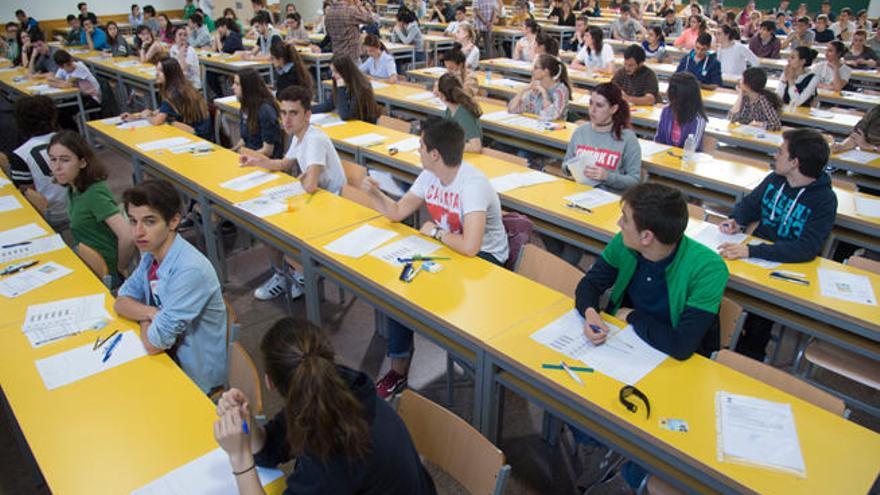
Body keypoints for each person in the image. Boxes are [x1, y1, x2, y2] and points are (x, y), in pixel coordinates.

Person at [572, 182, 727, 491]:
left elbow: (682, 347)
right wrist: (591, 313)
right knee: (572, 395)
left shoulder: (708, 269)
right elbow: (588, 285)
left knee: (633, 420)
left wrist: (632, 316)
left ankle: (632, 466)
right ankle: (604, 447)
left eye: (625, 218)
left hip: (678, 367)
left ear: (647, 237)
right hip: (628, 348)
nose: (619, 224)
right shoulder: (626, 244)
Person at [362, 118, 508, 399]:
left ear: (435, 154)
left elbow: (471, 247)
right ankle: (398, 371)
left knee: (423, 288)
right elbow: (396, 212)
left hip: (486, 260)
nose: (417, 151)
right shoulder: (430, 174)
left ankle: (471, 360)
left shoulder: (472, 185)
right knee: (402, 286)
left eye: (420, 146)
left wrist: (436, 232)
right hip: (449, 251)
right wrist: (375, 194)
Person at [213, 317, 437, 494]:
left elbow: (328, 470)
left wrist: (239, 457)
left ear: (269, 382)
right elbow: (270, 450)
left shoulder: (334, 451)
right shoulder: (327, 390)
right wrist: (246, 423)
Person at [718, 129, 836, 361]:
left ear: (795, 162)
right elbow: (749, 204)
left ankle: (748, 358)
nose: (775, 155)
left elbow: (806, 248)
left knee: (758, 321)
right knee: (715, 283)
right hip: (752, 257)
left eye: (781, 152)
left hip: (784, 267)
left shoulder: (824, 200)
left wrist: (751, 250)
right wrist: (736, 221)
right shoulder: (775, 179)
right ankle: (719, 339)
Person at [115, 179, 228, 393]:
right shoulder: (152, 254)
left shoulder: (189, 270)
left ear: (174, 221)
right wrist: (151, 312)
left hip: (194, 376)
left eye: (149, 222)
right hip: (170, 357)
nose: (138, 232)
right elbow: (121, 300)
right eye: (132, 221)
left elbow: (154, 344)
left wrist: (143, 316)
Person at [239, 86, 348, 301]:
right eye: (283, 112)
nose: (286, 120)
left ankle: (299, 274)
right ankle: (286, 273)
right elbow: (285, 163)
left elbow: (310, 186)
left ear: (307, 115)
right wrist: (257, 162)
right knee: (268, 225)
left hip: (334, 207)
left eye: (293, 113)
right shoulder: (299, 136)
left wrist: (306, 176)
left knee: (276, 228)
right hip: (316, 200)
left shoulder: (314, 139)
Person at [48, 131, 134, 287]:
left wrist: (121, 267)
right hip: (87, 261)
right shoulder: (73, 188)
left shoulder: (93, 193)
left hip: (106, 272)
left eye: (65, 160)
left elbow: (127, 235)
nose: (57, 167)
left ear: (82, 162)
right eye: (53, 160)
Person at [565, 82, 641, 192]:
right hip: (580, 192)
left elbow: (634, 181)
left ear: (613, 109)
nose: (592, 110)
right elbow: (566, 164)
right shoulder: (580, 131)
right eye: (591, 103)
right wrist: (571, 168)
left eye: (599, 105)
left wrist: (607, 176)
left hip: (609, 198)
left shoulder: (627, 138)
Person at [9, 96, 67, 229]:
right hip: (81, 206)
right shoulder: (71, 140)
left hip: (51, 213)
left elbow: (27, 191)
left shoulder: (19, 154)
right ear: (53, 117)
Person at [121, 57, 212, 140]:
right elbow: (161, 111)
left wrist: (147, 116)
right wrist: (136, 117)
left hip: (198, 136)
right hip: (195, 130)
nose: (156, 74)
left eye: (160, 71)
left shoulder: (174, 93)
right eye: (156, 70)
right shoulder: (181, 86)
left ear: (169, 74)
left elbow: (157, 121)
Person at [312, 56, 382, 123]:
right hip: (352, 125)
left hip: (364, 126)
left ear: (345, 71)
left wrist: (341, 89)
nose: (332, 75)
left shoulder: (361, 86)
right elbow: (328, 105)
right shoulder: (342, 81)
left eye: (336, 72)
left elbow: (345, 115)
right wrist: (306, 110)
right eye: (332, 71)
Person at [234, 69, 283, 159]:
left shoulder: (265, 111)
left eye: (237, 84)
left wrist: (245, 157)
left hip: (264, 162)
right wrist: (233, 150)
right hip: (251, 157)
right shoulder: (246, 107)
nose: (233, 87)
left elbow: (268, 150)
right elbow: (245, 139)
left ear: (247, 87)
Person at [509, 53, 571, 121]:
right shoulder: (536, 86)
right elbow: (512, 110)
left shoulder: (561, 90)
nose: (532, 70)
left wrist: (544, 94)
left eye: (536, 67)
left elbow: (551, 116)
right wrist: (522, 91)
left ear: (545, 71)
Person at [49, 49, 102, 129]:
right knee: (58, 110)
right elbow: (51, 80)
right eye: (68, 65)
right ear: (61, 66)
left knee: (63, 113)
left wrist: (58, 83)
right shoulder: (62, 69)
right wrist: (58, 82)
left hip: (92, 98)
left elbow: (67, 84)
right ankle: (73, 132)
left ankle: (75, 134)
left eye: (70, 63)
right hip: (80, 96)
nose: (71, 66)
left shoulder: (80, 67)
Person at [655, 72, 707, 150]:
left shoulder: (698, 119)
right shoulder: (666, 111)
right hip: (665, 158)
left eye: (669, 88)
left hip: (687, 160)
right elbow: (658, 140)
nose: (666, 92)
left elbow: (691, 149)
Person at [435, 73, 482, 152]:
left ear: (441, 95)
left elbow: (476, 147)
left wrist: (450, 146)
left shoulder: (464, 114)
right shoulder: (450, 109)